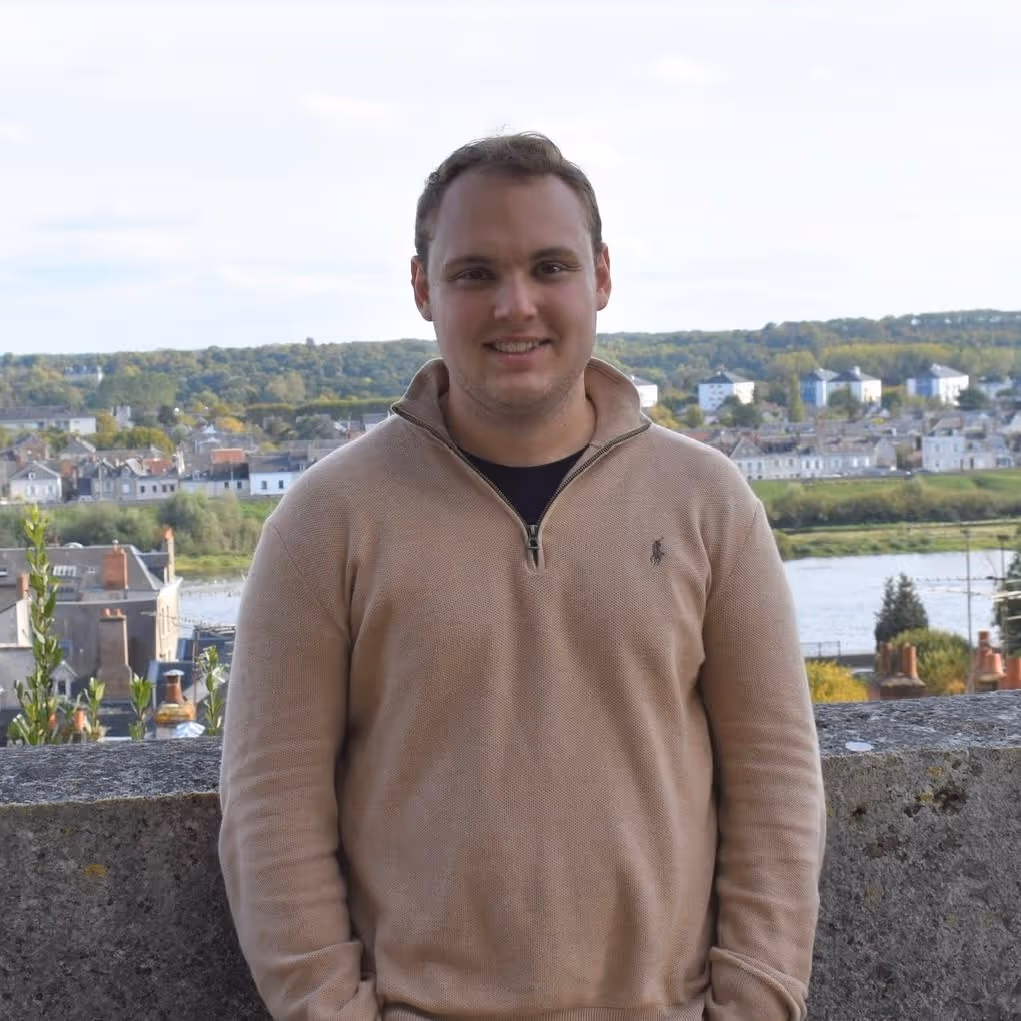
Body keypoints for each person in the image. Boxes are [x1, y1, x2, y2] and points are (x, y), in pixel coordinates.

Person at [219, 132, 826, 1021]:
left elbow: (775, 778)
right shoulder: (325, 520)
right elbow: (271, 807)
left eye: (550, 267)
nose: (516, 305)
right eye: (475, 273)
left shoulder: (707, 501)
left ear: (600, 276)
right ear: (422, 287)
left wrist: (753, 1006)